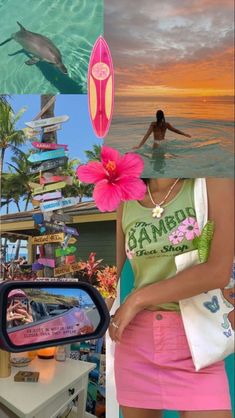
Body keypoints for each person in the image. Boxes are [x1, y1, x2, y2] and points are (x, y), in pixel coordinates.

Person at [109, 178, 234, 418]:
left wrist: (137, 299)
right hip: (135, 342)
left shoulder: (212, 181)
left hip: (197, 343)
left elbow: (218, 271)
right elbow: (109, 275)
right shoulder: (125, 198)